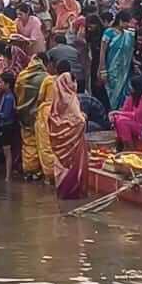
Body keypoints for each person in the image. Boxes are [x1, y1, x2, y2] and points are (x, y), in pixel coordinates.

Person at [48, 70, 90, 199]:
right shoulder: (71, 99)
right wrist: (83, 118)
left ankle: (63, 196)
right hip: (74, 145)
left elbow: (56, 121)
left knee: (62, 169)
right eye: (74, 81)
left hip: (61, 146)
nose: (75, 84)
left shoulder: (56, 100)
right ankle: (74, 195)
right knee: (74, 169)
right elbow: (78, 121)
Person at [110, 77, 142, 149]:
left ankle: (129, 147)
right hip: (136, 123)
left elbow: (137, 115)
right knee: (117, 118)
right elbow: (125, 110)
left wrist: (117, 112)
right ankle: (122, 145)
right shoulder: (134, 95)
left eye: (132, 86)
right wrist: (116, 114)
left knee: (122, 121)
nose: (131, 88)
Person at [99, 11, 136, 109]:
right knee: (112, 94)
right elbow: (103, 52)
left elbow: (130, 51)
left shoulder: (129, 34)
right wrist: (102, 69)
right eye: (126, 22)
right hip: (112, 69)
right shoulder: (109, 33)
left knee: (125, 93)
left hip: (125, 70)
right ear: (120, 21)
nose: (128, 25)